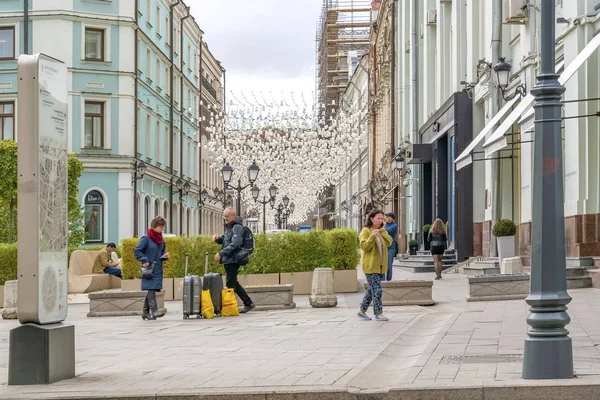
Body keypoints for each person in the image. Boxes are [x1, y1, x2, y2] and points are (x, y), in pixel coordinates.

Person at [212, 207, 255, 313]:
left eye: (227, 216)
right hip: (229, 259)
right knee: (233, 282)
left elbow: (236, 243)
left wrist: (221, 253)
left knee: (230, 284)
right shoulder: (230, 227)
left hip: (233, 259)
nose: (225, 218)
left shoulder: (237, 227)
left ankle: (229, 308)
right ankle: (248, 303)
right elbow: (226, 240)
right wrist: (218, 239)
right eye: (224, 216)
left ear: (233, 216)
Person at [358, 209, 392, 321]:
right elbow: (364, 247)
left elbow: (389, 242)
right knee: (377, 290)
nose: (381, 221)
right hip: (370, 266)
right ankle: (378, 313)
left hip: (381, 266)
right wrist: (372, 236)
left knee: (371, 290)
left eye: (382, 219)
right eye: (378, 218)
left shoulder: (382, 230)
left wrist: (382, 232)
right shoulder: (366, 231)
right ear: (371, 219)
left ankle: (362, 311)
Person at [134, 216, 170, 320]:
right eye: (160, 226)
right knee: (151, 289)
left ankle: (145, 312)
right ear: (154, 226)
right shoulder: (146, 238)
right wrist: (144, 260)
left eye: (163, 227)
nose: (162, 229)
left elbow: (161, 251)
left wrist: (164, 256)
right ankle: (154, 311)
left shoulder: (160, 239)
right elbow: (137, 250)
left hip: (158, 267)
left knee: (152, 288)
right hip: (149, 268)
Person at [384, 212, 398, 281]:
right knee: (383, 265)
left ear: (390, 218)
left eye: (386, 217)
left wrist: (380, 230)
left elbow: (387, 231)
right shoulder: (384, 225)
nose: (385, 218)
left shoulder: (394, 226)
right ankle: (382, 280)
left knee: (389, 266)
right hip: (383, 247)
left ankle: (389, 280)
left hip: (391, 248)